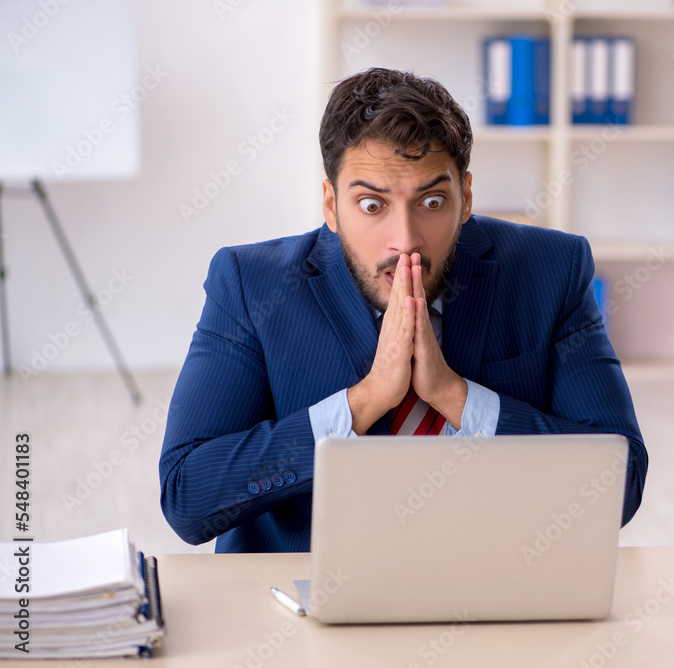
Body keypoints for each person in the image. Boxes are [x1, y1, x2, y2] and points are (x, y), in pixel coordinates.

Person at [159, 68, 648, 553]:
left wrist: (455, 395)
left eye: (431, 201)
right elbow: (187, 497)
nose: (405, 241)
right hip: (303, 589)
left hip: (490, 578)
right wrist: (363, 402)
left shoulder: (552, 269)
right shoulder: (250, 284)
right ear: (331, 205)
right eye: (372, 205)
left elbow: (619, 484)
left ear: (466, 197)